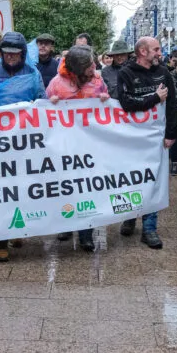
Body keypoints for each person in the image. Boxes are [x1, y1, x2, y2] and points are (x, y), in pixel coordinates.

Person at [0, 31, 45, 262]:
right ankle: (0, 241)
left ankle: (17, 229)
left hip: (24, 140)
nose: (10, 57)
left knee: (21, 187)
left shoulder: (32, 73)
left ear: (23, 54)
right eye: (6, 53)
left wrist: (38, 106)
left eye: (15, 54)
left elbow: (42, 100)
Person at [115, 37, 177, 249]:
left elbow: (172, 103)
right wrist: (154, 98)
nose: (160, 53)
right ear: (143, 51)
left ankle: (150, 228)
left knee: (153, 180)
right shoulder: (126, 73)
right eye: (156, 49)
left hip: (155, 139)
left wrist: (171, 133)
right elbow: (126, 103)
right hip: (131, 139)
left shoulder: (163, 73)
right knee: (131, 179)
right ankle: (130, 217)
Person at [47, 45, 110, 252]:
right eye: (89, 65)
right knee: (66, 187)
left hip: (90, 146)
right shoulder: (57, 83)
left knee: (87, 188)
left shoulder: (98, 81)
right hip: (65, 146)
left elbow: (108, 107)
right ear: (77, 68)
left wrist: (105, 99)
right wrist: (50, 103)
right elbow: (42, 112)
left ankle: (86, 234)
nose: (94, 67)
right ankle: (66, 226)